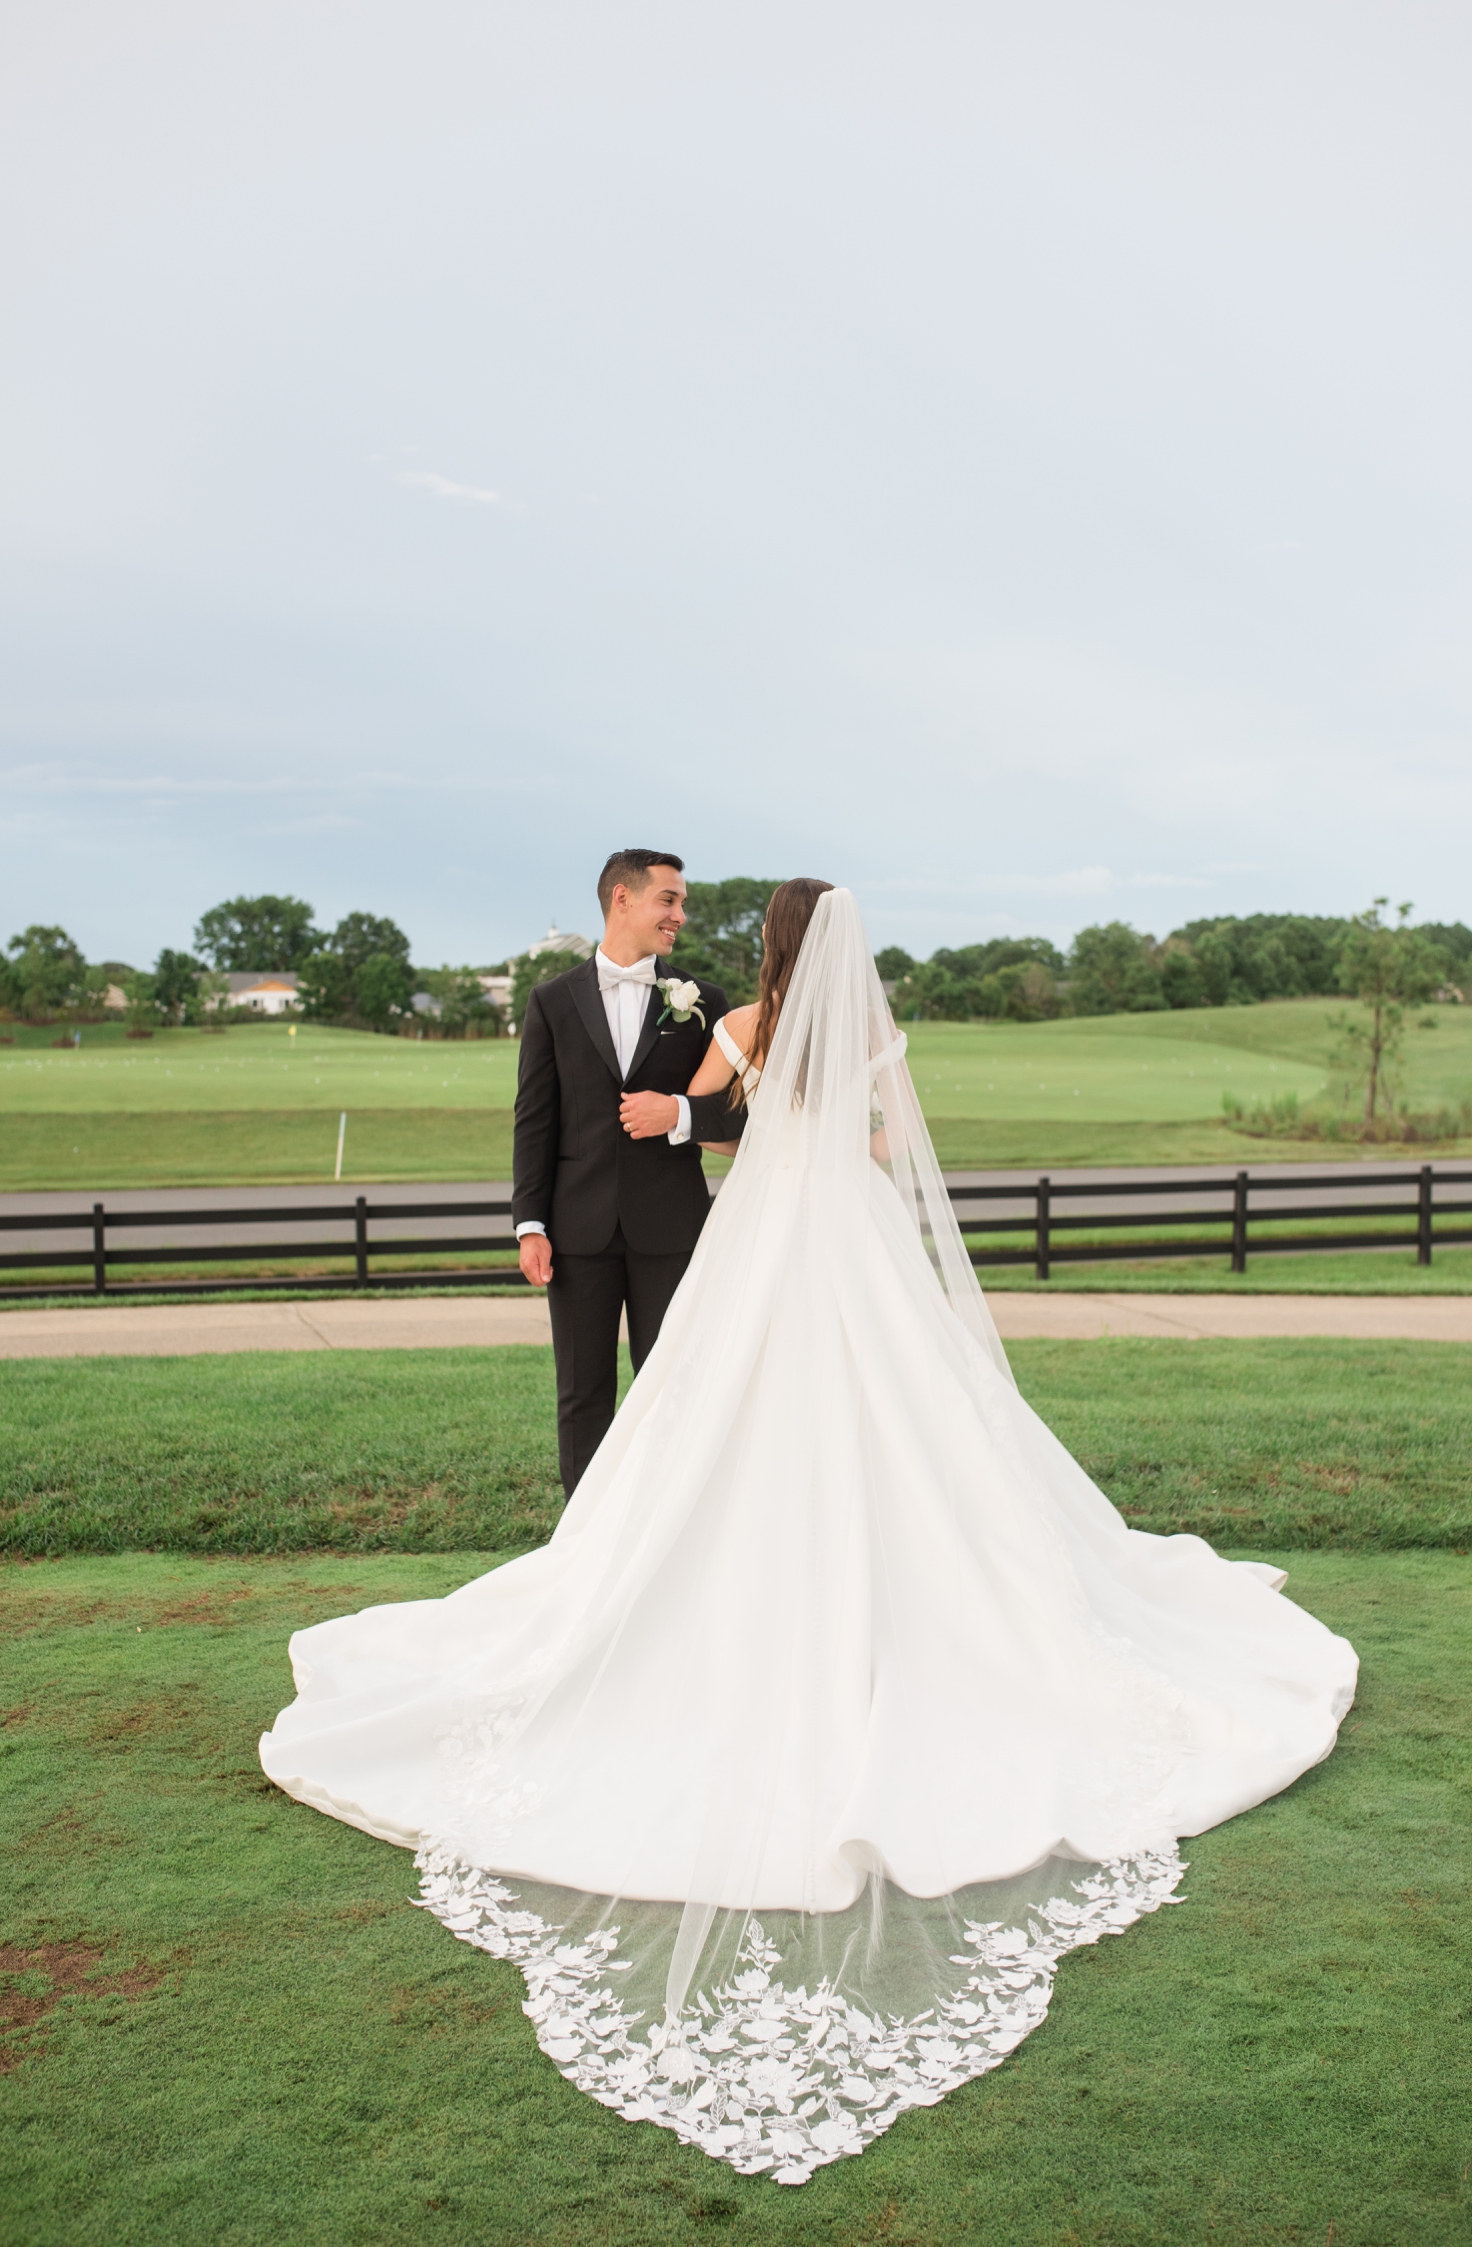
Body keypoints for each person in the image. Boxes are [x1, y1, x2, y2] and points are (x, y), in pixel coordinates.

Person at [262, 885, 1357, 2187]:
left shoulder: (735, 1017)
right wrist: (838, 1134)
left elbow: (709, 1128)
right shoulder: (870, 1037)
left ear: (773, 947)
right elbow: (891, 1145)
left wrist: (709, 1110)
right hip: (857, 1243)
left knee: (718, 1424)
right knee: (916, 1427)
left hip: (765, 1247)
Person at [510, 849, 746, 1495]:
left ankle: (663, 1533)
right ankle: (583, 1551)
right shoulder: (551, 1002)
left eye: (682, 903)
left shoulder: (705, 1003)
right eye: (669, 900)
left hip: (671, 1230)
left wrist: (676, 1112)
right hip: (575, 1232)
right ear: (622, 897)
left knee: (673, 1387)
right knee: (582, 1394)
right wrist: (530, 1223)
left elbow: (738, 1117)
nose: (680, 915)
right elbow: (534, 1120)